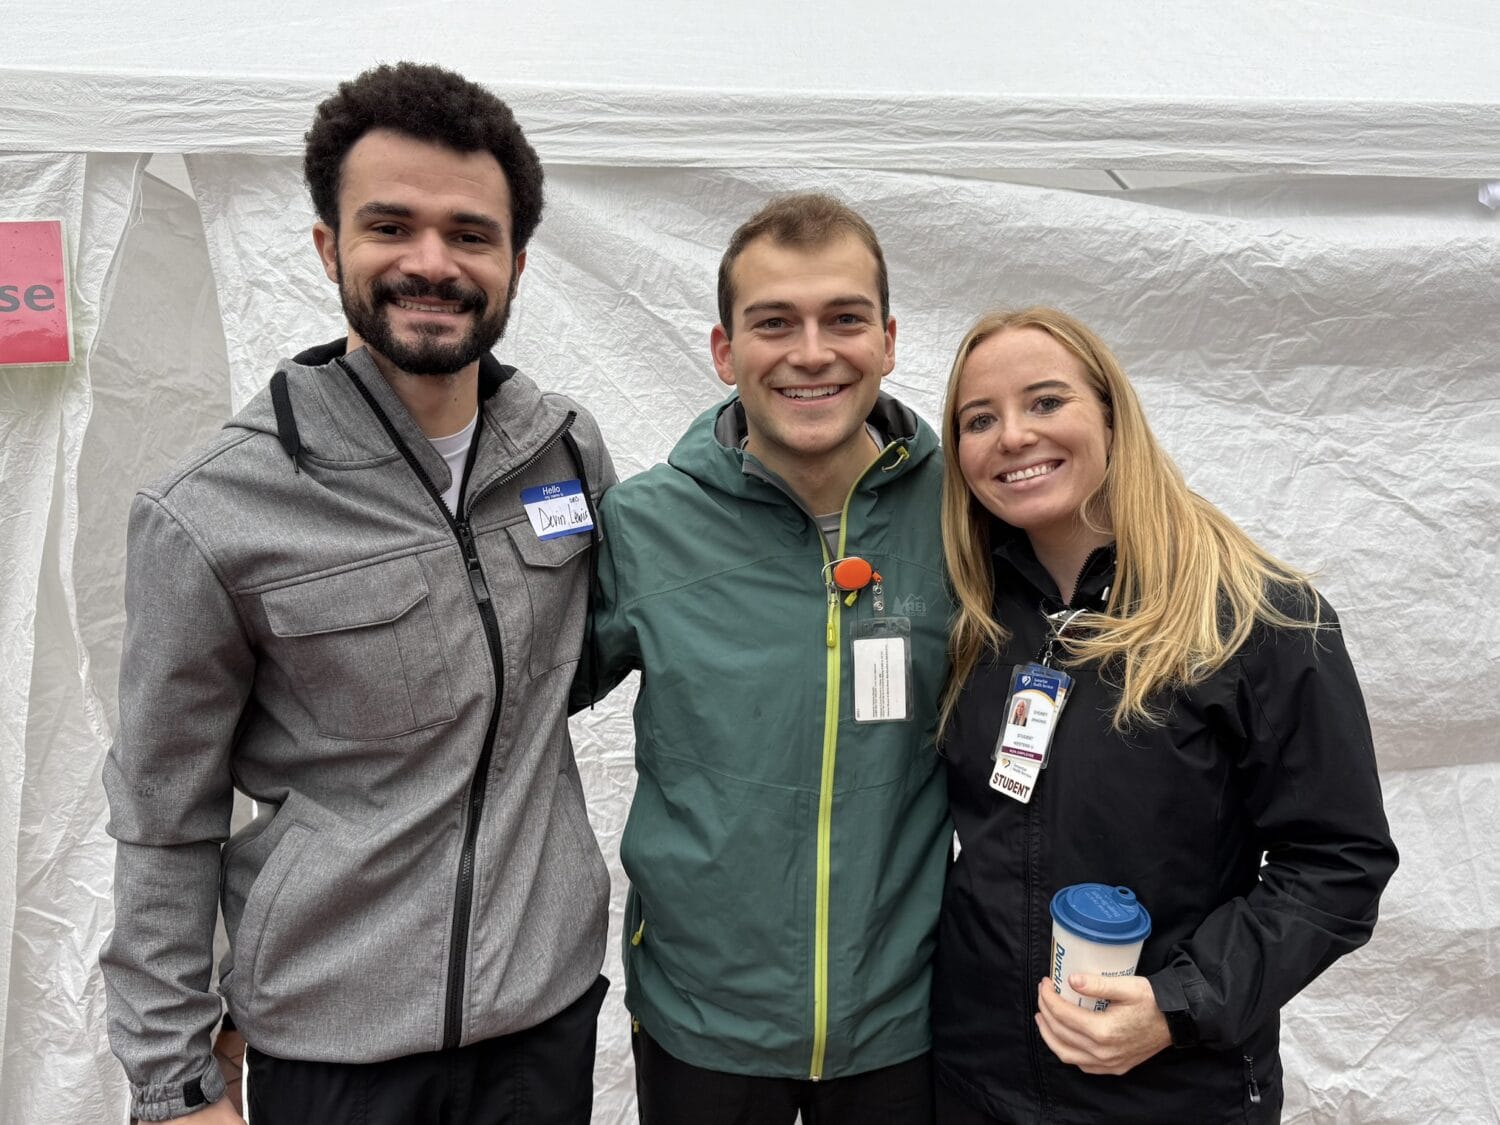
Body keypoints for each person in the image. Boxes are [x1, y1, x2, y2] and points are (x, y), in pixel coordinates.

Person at [100, 63, 613, 1124]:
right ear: (331, 245)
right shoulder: (214, 510)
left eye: (470, 235)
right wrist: (175, 1079)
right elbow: (163, 818)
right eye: (391, 226)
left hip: (545, 1022)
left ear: (516, 260)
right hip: (331, 1052)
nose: (432, 263)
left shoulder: (565, 453)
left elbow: (583, 661)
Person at [929, 307, 1398, 1123]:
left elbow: (1339, 865)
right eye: (979, 419)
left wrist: (1178, 1004)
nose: (1011, 436)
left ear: (1111, 415)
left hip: (1175, 1092)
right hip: (977, 1084)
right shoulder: (972, 618)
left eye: (1044, 402)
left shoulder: (1256, 616)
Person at [579, 193, 950, 1123]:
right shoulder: (646, 525)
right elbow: (514, 697)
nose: (812, 352)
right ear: (723, 349)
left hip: (907, 1019)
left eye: (844, 319)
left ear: (891, 339)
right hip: (703, 1023)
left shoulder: (964, 516)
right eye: (774, 322)